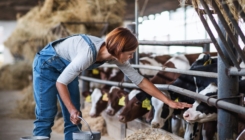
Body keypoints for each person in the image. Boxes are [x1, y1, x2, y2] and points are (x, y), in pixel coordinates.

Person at [32, 27, 192, 139]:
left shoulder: (116, 55)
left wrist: (168, 101)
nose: (131, 57)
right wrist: (71, 108)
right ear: (119, 49)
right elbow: (61, 83)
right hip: (47, 64)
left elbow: (141, 82)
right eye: (129, 54)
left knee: (75, 119)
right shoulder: (88, 54)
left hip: (68, 67)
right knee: (47, 113)